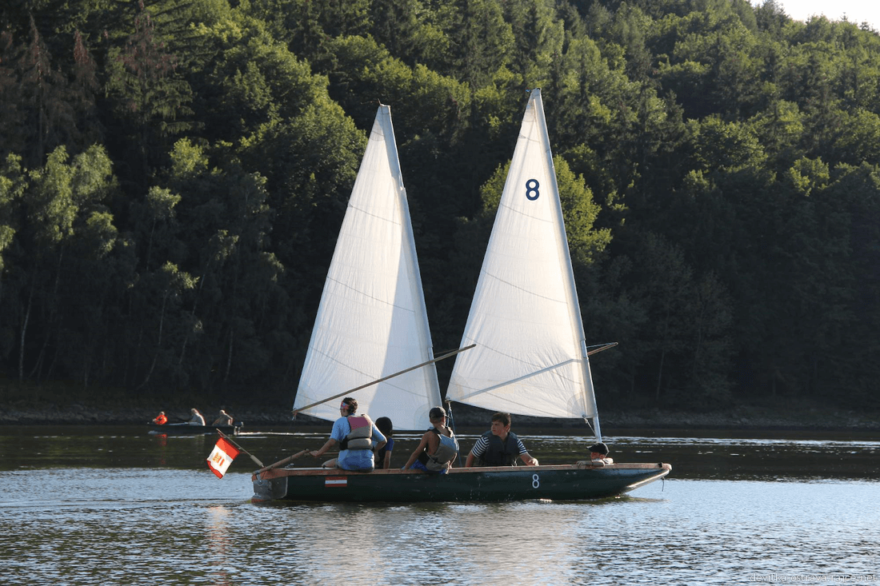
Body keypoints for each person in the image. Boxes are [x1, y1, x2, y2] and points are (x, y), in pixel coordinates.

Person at [309, 397, 386, 471]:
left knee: (325, 465)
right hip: (368, 464)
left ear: (343, 409)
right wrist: (372, 450)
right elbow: (383, 441)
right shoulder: (367, 421)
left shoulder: (340, 421)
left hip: (347, 463)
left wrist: (318, 453)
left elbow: (331, 442)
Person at [465, 412, 538, 467]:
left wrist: (534, 461)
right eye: (492, 424)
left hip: (507, 476)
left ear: (507, 427)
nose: (493, 427)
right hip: (486, 475)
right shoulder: (485, 440)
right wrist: (467, 474)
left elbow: (528, 460)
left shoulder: (516, 442)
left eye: (497, 425)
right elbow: (471, 456)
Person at [401, 406, 459, 474]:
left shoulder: (429, 434)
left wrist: (406, 468)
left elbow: (416, 453)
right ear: (443, 419)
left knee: (417, 459)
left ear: (430, 420)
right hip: (441, 469)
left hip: (428, 467)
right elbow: (454, 453)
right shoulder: (451, 434)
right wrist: (449, 465)